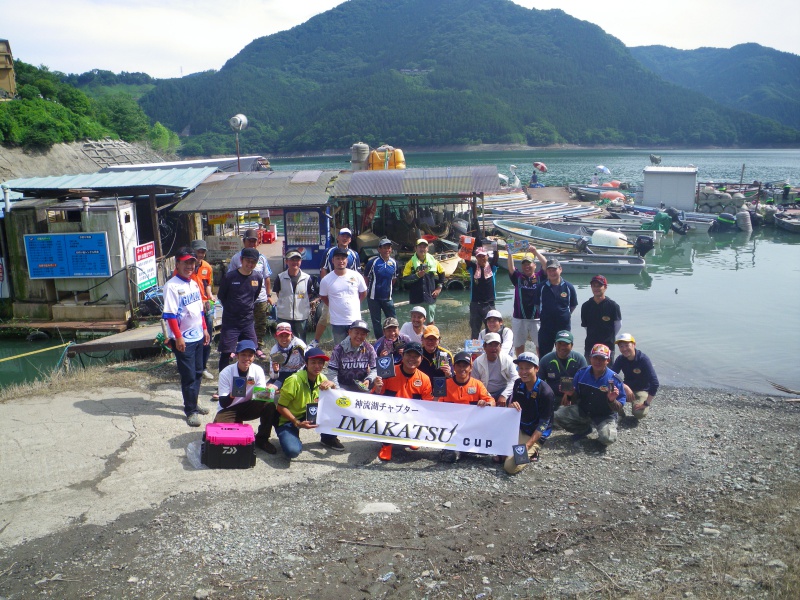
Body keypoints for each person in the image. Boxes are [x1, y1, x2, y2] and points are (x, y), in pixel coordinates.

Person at [162, 247, 211, 426]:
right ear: (178, 264)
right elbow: (170, 315)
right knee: (189, 375)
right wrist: (178, 338)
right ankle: (190, 411)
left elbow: (199, 309)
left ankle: (194, 402)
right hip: (183, 340)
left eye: (191, 262)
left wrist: (205, 329)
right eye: (185, 262)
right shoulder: (171, 286)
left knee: (198, 372)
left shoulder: (193, 283)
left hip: (198, 335)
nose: (189, 266)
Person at [554, 344, 625, 447]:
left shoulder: (615, 379)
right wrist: (570, 394)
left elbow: (618, 407)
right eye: (595, 358)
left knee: (608, 439)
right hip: (584, 411)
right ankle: (585, 429)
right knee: (557, 416)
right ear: (590, 358)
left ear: (608, 361)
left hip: (604, 416)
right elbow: (575, 400)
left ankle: (605, 429)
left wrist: (611, 400)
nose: (598, 361)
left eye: (602, 358)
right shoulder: (581, 373)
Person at [372, 341, 433, 461]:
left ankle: (412, 437)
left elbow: (428, 405)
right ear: (402, 356)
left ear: (421, 359)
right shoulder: (389, 372)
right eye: (409, 355)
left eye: (416, 356)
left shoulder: (424, 379)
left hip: (411, 416)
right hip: (389, 415)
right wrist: (378, 389)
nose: (412, 359)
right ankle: (386, 444)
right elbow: (373, 400)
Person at [214, 340, 277, 454]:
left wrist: (270, 391)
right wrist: (232, 395)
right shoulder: (226, 373)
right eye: (243, 355)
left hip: (248, 405)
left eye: (250, 355)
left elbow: (261, 397)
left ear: (254, 357)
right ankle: (237, 424)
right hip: (229, 408)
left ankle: (262, 439)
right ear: (237, 355)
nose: (246, 358)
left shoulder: (257, 370)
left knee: (270, 404)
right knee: (220, 433)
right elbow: (223, 403)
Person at [274, 348, 336, 459]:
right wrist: (297, 423)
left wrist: (333, 386)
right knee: (292, 452)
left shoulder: (323, 378)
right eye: (313, 362)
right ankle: (292, 434)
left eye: (320, 363)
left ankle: (328, 438)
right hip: (288, 420)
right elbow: (280, 407)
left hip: (309, 414)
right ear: (306, 363)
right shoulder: (294, 380)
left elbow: (333, 402)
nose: (317, 366)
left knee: (334, 413)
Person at [504, 352, 555, 474]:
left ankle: (534, 451)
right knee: (497, 457)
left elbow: (543, 424)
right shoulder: (518, 383)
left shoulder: (546, 392)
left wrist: (527, 445)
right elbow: (511, 406)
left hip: (534, 434)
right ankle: (514, 450)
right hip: (520, 428)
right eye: (520, 368)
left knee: (509, 467)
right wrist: (510, 406)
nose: (523, 372)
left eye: (527, 368)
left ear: (536, 369)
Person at [439, 351, 494, 463]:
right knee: (448, 458)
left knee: (484, 451)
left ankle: (464, 450)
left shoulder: (477, 384)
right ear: (454, 367)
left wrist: (485, 403)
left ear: (471, 367)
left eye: (465, 365)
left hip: (472, 429)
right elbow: (436, 407)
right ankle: (458, 449)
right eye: (459, 365)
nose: (462, 369)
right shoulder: (445, 384)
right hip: (452, 430)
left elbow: (492, 401)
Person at [310, 227, 361, 348]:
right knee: (325, 317)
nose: (345, 238)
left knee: (353, 321)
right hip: (333, 292)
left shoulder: (354, 254)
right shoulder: (330, 251)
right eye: (342, 235)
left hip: (350, 292)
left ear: (350, 239)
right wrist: (325, 290)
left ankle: (353, 342)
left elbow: (359, 274)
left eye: (347, 236)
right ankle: (316, 340)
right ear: (337, 237)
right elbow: (323, 269)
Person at [217, 247, 262, 373]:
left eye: (253, 262)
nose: (250, 264)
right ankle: (223, 385)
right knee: (226, 353)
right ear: (241, 260)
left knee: (250, 350)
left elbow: (254, 296)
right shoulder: (230, 277)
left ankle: (246, 380)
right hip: (231, 322)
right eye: (247, 261)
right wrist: (233, 308)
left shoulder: (257, 277)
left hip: (247, 321)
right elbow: (221, 296)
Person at [228, 229, 272, 354]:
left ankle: (258, 347)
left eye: (254, 241)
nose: (252, 244)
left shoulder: (262, 258)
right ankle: (242, 348)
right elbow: (230, 276)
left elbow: (267, 277)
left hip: (260, 298)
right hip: (242, 299)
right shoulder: (237, 258)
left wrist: (268, 295)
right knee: (242, 323)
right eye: (249, 241)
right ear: (244, 241)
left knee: (260, 323)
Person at [318, 247, 368, 346]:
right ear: (332, 260)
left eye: (343, 258)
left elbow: (363, 293)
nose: (341, 261)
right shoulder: (326, 280)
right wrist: (332, 304)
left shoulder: (357, 276)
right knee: (340, 349)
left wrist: (356, 303)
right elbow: (323, 296)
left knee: (357, 348)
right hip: (337, 322)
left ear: (347, 260)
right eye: (338, 258)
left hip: (355, 320)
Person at [532, 258, 578, 356]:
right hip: (546, 327)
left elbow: (573, 305)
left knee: (564, 354)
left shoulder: (569, 287)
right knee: (544, 355)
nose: (552, 273)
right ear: (546, 271)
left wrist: (563, 315)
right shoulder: (541, 287)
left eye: (554, 269)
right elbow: (537, 305)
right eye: (549, 270)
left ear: (560, 269)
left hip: (563, 328)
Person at [508, 245, 548, 355]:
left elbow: (546, 264)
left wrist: (535, 252)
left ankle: (540, 367)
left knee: (540, 344)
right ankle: (521, 365)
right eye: (524, 264)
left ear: (534, 265)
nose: (527, 266)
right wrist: (510, 253)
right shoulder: (518, 277)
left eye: (529, 264)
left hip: (537, 318)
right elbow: (511, 268)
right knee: (519, 344)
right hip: (519, 318)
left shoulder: (540, 277)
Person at [612, 333, 659, 420]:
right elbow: (611, 376)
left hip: (642, 390)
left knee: (638, 413)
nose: (624, 349)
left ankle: (638, 406)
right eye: (621, 346)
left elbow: (655, 383)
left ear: (634, 345)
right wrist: (624, 386)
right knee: (606, 395)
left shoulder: (643, 359)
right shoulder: (620, 359)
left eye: (627, 345)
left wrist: (646, 403)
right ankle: (620, 414)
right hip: (627, 389)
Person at [273, 250, 317, 343]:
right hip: (283, 316)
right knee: (283, 342)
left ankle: (301, 357)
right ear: (287, 261)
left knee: (300, 342)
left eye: (297, 260)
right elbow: (278, 294)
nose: (295, 262)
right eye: (292, 260)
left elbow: (309, 294)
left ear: (300, 262)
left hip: (301, 317)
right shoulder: (280, 277)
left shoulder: (307, 278)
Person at [189, 239, 216, 380]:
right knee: (192, 337)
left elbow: (208, 285)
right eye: (198, 251)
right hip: (191, 308)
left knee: (207, 337)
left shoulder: (207, 267)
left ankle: (203, 366)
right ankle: (190, 366)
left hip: (205, 305)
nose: (201, 254)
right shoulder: (185, 267)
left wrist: (210, 295)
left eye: (203, 251)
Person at [328, 319, 377, 394]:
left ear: (366, 335)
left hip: (362, 385)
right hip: (343, 386)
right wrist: (337, 391)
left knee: (379, 382)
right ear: (349, 332)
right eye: (356, 333)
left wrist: (369, 379)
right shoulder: (339, 349)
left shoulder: (369, 348)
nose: (359, 336)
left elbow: (375, 369)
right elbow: (332, 372)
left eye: (363, 334)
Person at [538, 330, 587, 405]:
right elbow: (539, 382)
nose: (563, 347)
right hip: (552, 397)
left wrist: (569, 394)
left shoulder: (579, 359)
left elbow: (584, 383)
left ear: (572, 345)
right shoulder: (545, 360)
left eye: (566, 344)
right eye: (560, 344)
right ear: (555, 344)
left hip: (574, 397)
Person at [402, 238, 445, 324]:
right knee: (416, 322)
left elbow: (442, 273)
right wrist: (417, 275)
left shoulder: (434, 261)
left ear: (427, 249)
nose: (422, 249)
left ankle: (431, 337)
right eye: (420, 247)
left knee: (430, 322)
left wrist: (439, 288)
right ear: (415, 248)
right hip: (416, 298)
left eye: (424, 247)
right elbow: (405, 279)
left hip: (430, 297)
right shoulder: (410, 263)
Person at [580, 275, 622, 362]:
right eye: (594, 286)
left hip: (607, 346)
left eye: (599, 285)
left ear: (605, 287)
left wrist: (608, 336)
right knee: (590, 372)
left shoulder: (613, 306)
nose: (596, 288)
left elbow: (618, 325)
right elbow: (585, 326)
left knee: (607, 373)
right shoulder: (586, 306)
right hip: (590, 346)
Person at [471, 332, 517, 407]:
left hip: (503, 391)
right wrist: (487, 397)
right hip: (484, 392)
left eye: (496, 345)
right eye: (490, 345)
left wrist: (504, 395)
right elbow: (474, 382)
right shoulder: (477, 362)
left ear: (500, 346)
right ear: (484, 347)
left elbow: (515, 378)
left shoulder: (508, 359)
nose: (493, 348)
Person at [364, 238, 398, 338]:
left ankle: (395, 339)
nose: (387, 250)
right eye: (384, 248)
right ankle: (379, 340)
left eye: (389, 247)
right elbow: (365, 278)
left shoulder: (394, 263)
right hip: (373, 298)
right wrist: (367, 291)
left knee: (393, 319)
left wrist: (388, 289)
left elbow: (394, 279)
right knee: (376, 321)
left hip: (388, 298)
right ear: (379, 249)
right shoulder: (373, 262)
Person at [466, 246, 499, 339]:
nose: (481, 258)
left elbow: (496, 259)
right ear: (476, 257)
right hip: (475, 304)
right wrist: (466, 245)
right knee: (475, 329)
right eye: (479, 256)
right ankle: (475, 351)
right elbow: (467, 260)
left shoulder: (492, 268)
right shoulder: (473, 268)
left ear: (487, 256)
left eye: (483, 256)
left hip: (489, 304)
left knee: (491, 329)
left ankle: (490, 348)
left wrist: (495, 248)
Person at [266, 322, 308, 388]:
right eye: (281, 336)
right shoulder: (275, 351)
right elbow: (273, 377)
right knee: (266, 389)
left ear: (291, 335)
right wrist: (275, 371)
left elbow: (308, 361)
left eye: (287, 336)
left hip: (300, 372)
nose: (284, 339)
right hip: (283, 374)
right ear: (276, 336)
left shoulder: (299, 344)